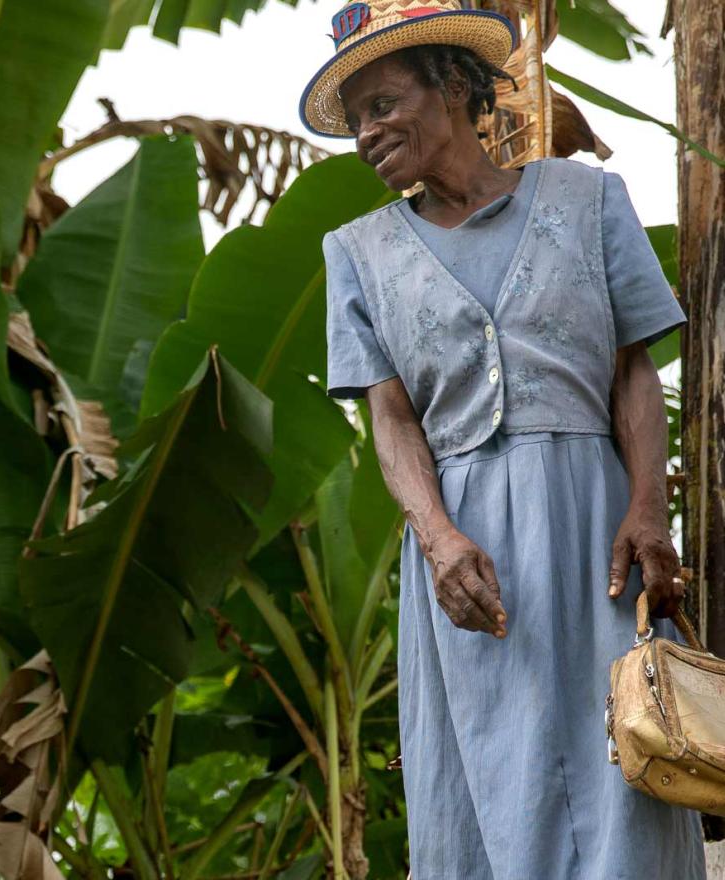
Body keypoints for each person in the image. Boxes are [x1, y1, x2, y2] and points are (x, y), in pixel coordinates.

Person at [300, 1, 705, 877]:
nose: (366, 134)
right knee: (489, 782)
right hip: (466, 555)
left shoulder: (589, 198)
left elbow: (632, 371)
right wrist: (438, 539)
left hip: (596, 531)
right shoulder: (357, 252)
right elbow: (392, 419)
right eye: (355, 119)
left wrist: (647, 508)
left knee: (624, 774)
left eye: (381, 104)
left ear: (453, 83)